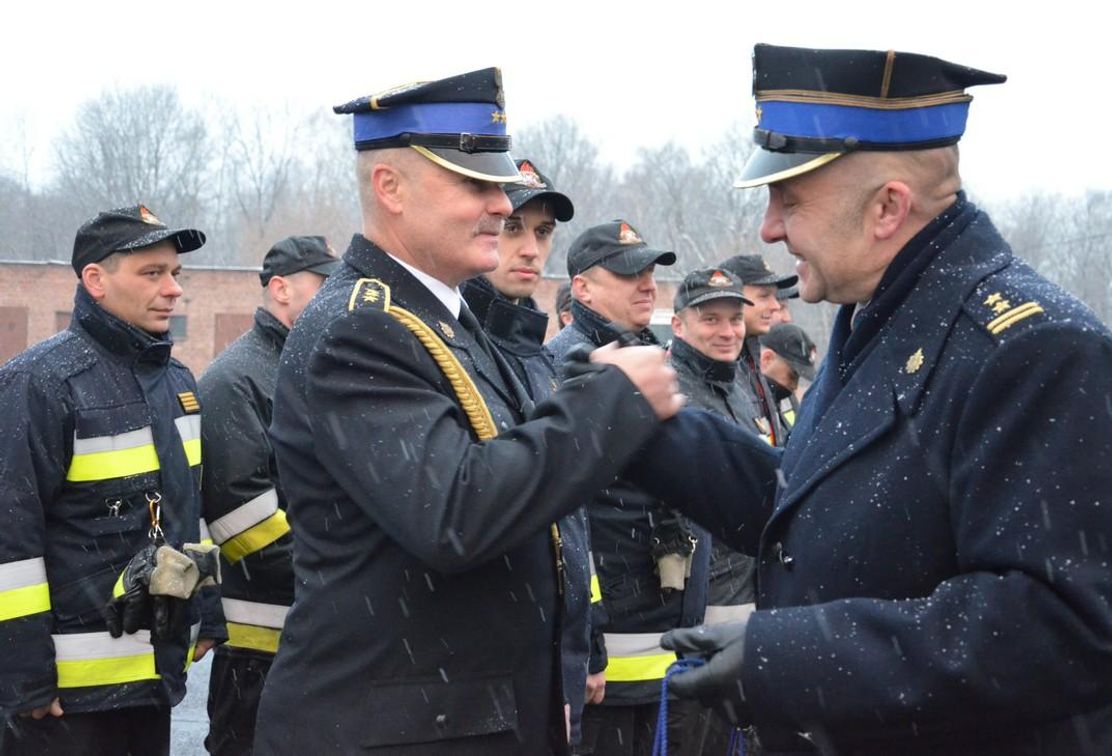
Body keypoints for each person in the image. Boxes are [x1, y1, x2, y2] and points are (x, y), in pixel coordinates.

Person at [624, 43, 1112, 754]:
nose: (769, 228)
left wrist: (795, 659)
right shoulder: (878, 316)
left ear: (887, 209)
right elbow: (819, 511)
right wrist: (652, 431)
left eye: (790, 198)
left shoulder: (1036, 351)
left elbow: (1067, 627)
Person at [252, 68, 682, 756]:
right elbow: (457, 512)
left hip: (464, 719)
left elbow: (531, 511)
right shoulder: (361, 327)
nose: (497, 203)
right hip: (395, 730)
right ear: (390, 188)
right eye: (474, 184)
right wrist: (608, 404)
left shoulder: (445, 317)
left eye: (500, 184)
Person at [0, 205, 225, 756]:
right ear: (95, 280)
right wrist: (23, 674)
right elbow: (10, 538)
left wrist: (208, 610)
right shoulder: (39, 382)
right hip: (63, 701)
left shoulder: (179, 383)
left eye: (176, 274)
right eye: (153, 274)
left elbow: (184, 511)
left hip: (153, 682)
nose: (173, 290)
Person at [546, 221, 710, 756]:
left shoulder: (652, 358)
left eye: (649, 272)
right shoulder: (571, 366)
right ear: (583, 289)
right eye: (627, 273)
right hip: (611, 654)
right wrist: (585, 642)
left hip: (663, 644)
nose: (646, 284)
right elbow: (566, 515)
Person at [457, 158, 594, 746]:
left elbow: (568, 525)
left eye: (542, 233)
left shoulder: (537, 358)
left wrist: (576, 657)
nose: (530, 249)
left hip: (547, 668)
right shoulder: (450, 346)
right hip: (477, 682)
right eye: (513, 227)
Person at [199, 236, 338, 756]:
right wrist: (336, 574)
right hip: (259, 649)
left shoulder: (315, 369)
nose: (336, 297)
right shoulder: (234, 380)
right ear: (280, 288)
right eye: (324, 285)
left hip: (320, 635)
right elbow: (241, 520)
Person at [666, 267, 767, 756]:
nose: (727, 332)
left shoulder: (738, 385)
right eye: (711, 319)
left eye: (734, 319)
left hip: (746, 602)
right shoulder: (671, 391)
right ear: (678, 324)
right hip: (699, 610)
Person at [717, 253, 796, 445]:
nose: (775, 305)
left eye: (774, 297)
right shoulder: (715, 368)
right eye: (764, 296)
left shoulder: (749, 360)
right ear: (733, 296)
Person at [758, 322, 816, 435]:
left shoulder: (787, 400)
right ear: (767, 359)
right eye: (793, 375)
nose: (795, 385)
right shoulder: (745, 399)